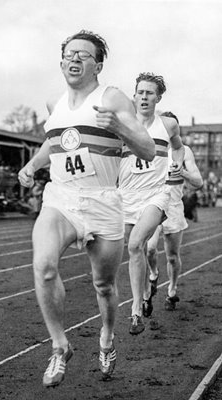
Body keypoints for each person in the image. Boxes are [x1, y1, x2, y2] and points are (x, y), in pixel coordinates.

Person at [18, 30, 155, 387]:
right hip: (61, 198)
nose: (74, 59)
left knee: (104, 286)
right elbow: (55, 141)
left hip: (103, 201)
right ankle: (60, 346)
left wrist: (120, 128)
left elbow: (148, 149)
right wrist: (33, 166)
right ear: (61, 61)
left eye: (83, 54)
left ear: (98, 64)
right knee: (44, 266)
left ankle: (107, 337)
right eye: (68, 53)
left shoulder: (111, 97)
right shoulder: (54, 103)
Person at [118, 73, 184, 335]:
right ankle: (145, 293)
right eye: (140, 92)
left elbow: (177, 147)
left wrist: (174, 162)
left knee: (136, 244)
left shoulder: (167, 125)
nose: (144, 97)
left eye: (149, 93)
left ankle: (135, 308)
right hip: (126, 195)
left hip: (156, 194)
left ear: (158, 98)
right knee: (135, 250)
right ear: (134, 96)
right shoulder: (123, 123)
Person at [147, 111, 203, 311]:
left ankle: (172, 289)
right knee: (150, 248)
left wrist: (184, 172)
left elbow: (198, 182)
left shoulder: (184, 151)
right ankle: (153, 273)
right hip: (153, 203)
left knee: (172, 255)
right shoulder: (151, 145)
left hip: (174, 206)